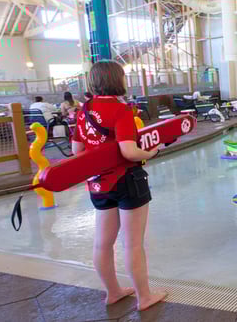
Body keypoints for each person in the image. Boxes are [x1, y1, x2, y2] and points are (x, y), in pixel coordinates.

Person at [71, 61, 166, 311]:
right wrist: (152, 152)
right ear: (119, 80)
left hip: (97, 183)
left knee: (102, 243)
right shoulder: (122, 110)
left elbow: (76, 150)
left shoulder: (84, 111)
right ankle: (144, 297)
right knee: (132, 244)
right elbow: (129, 151)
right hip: (127, 181)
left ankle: (113, 292)